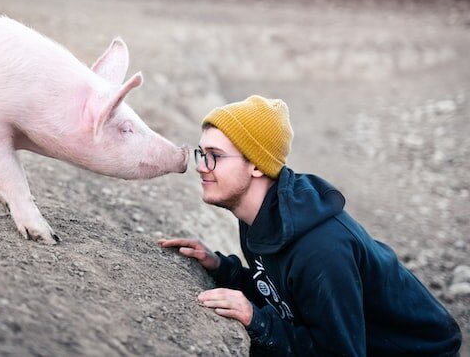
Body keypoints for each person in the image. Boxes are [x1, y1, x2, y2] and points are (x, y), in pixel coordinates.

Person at [159, 95, 462, 356]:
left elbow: (340, 353)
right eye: (202, 153)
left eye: (214, 156)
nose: (200, 166)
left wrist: (259, 321)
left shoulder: (320, 250)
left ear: (256, 165)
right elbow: (283, 293)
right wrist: (223, 270)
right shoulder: (259, 217)